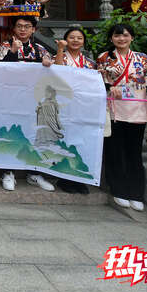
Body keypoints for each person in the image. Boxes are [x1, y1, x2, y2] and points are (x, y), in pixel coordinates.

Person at [98, 24, 147, 211]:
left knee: (134, 152)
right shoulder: (104, 57)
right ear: (111, 38)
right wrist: (110, 87)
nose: (121, 39)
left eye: (125, 35)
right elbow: (99, 79)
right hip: (114, 109)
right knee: (115, 151)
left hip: (137, 108)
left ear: (132, 38)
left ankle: (136, 192)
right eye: (117, 36)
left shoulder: (142, 58)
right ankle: (118, 190)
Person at [0, 7, 57, 193]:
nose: (23, 29)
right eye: (19, 26)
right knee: (10, 133)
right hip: (9, 98)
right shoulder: (4, 46)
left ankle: (34, 172)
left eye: (27, 26)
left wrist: (47, 64)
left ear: (33, 30)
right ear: (14, 29)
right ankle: (7, 172)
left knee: (33, 134)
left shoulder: (40, 49)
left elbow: (52, 71)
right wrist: (12, 52)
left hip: (33, 100)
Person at [51, 27, 95, 194]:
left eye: (79, 38)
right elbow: (57, 71)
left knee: (81, 141)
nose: (75, 40)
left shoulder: (90, 63)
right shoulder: (58, 57)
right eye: (72, 37)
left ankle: (79, 178)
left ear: (83, 42)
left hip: (82, 106)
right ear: (65, 40)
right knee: (65, 140)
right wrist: (60, 49)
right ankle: (64, 178)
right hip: (62, 105)